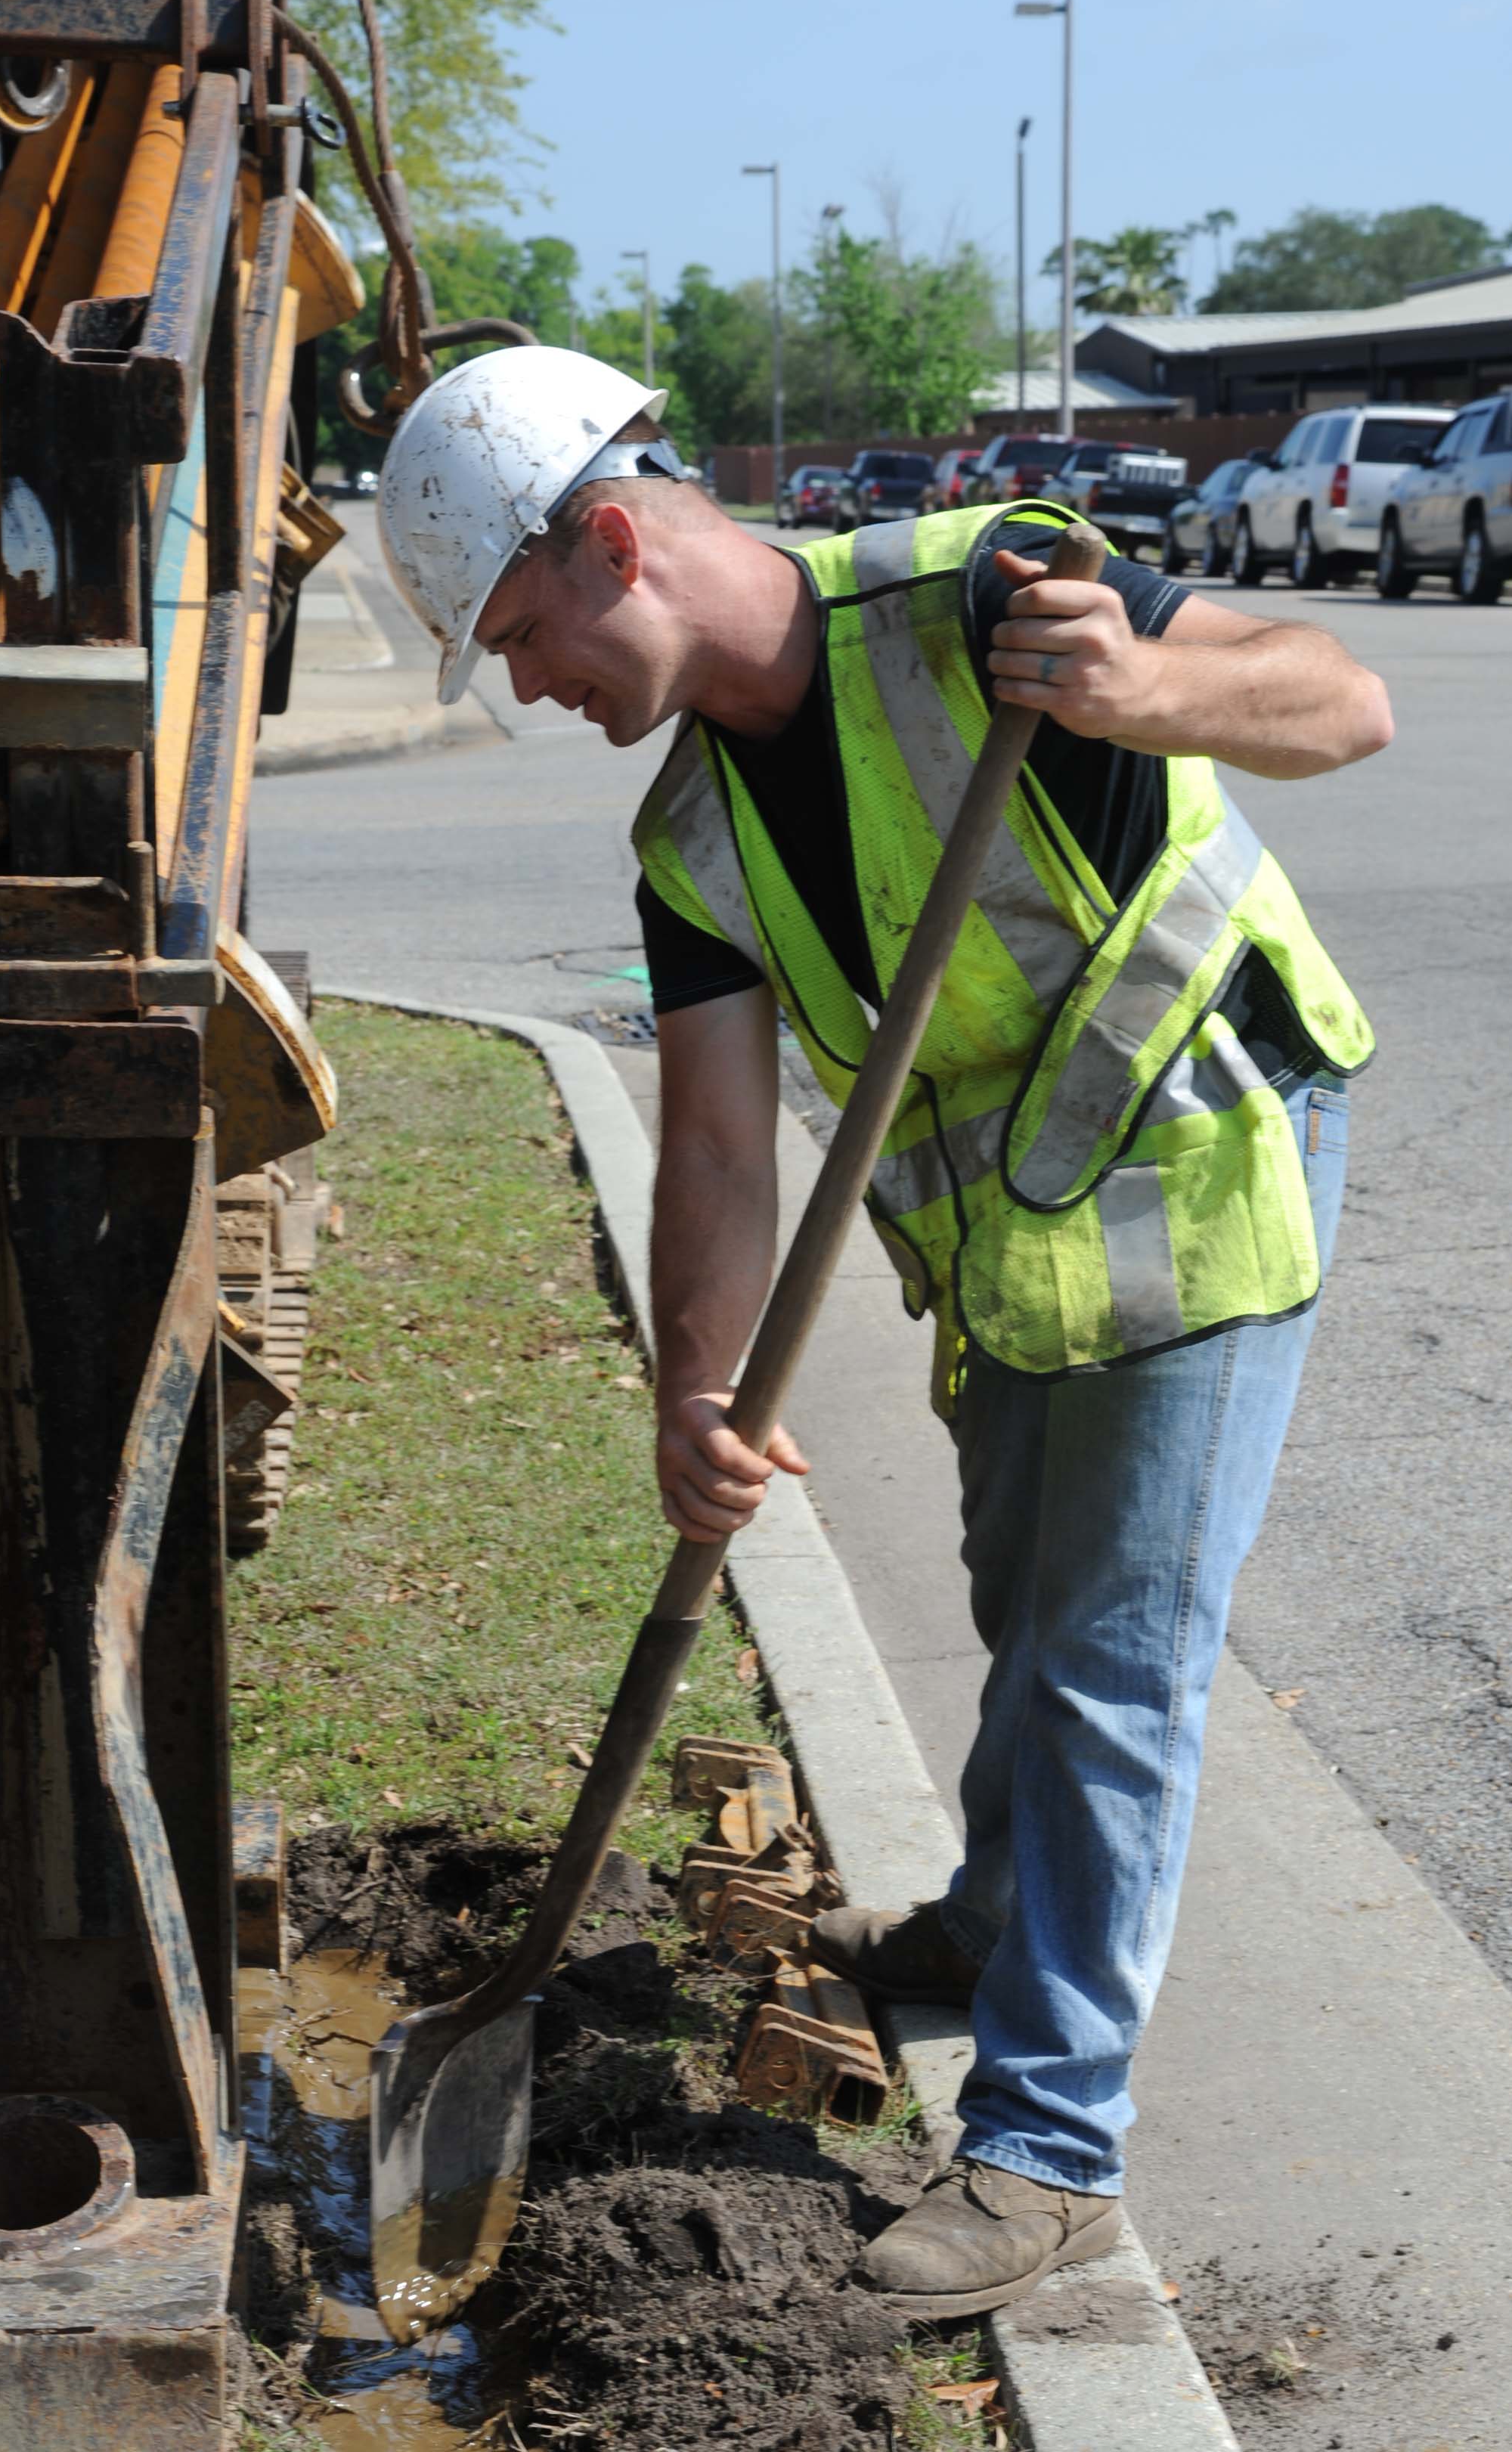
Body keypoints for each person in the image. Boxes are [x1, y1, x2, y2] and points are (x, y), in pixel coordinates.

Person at [378, 349, 1392, 2319]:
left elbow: (1335, 704)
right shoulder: (689, 844)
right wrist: (692, 1381)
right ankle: (991, 1919)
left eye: (515, 639)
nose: (525, 692)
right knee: (1023, 1596)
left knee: (1113, 1657)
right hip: (1018, 1240)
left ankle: (1046, 2151)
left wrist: (1145, 690)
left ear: (610, 542)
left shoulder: (986, 595)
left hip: (1202, 1168)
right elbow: (717, 1154)